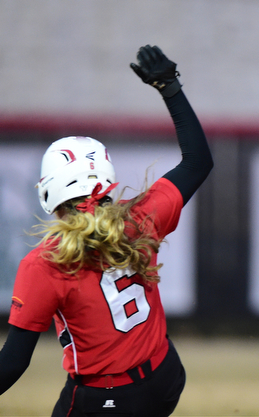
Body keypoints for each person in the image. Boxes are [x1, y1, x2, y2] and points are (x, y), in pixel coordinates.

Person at [0, 45, 213, 416]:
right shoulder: (142, 219)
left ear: (51, 190)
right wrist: (169, 87)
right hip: (165, 375)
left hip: (107, 398)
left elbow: (13, 363)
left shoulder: (45, 263)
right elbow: (198, 161)